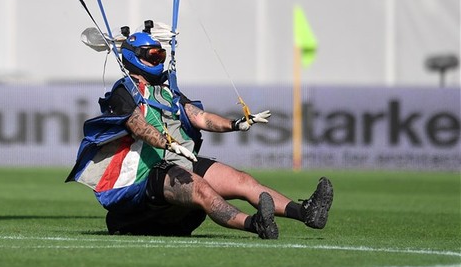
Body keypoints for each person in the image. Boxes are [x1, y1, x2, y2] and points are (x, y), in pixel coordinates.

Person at [67, 22, 333, 238]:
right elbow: (139, 127)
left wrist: (236, 124)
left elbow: (201, 118)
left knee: (243, 180)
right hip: (148, 173)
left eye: (161, 54)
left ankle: (306, 212)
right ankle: (255, 224)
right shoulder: (124, 91)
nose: (159, 59)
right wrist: (168, 142)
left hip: (180, 159)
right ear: (134, 58)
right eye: (153, 56)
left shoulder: (167, 91)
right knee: (203, 190)